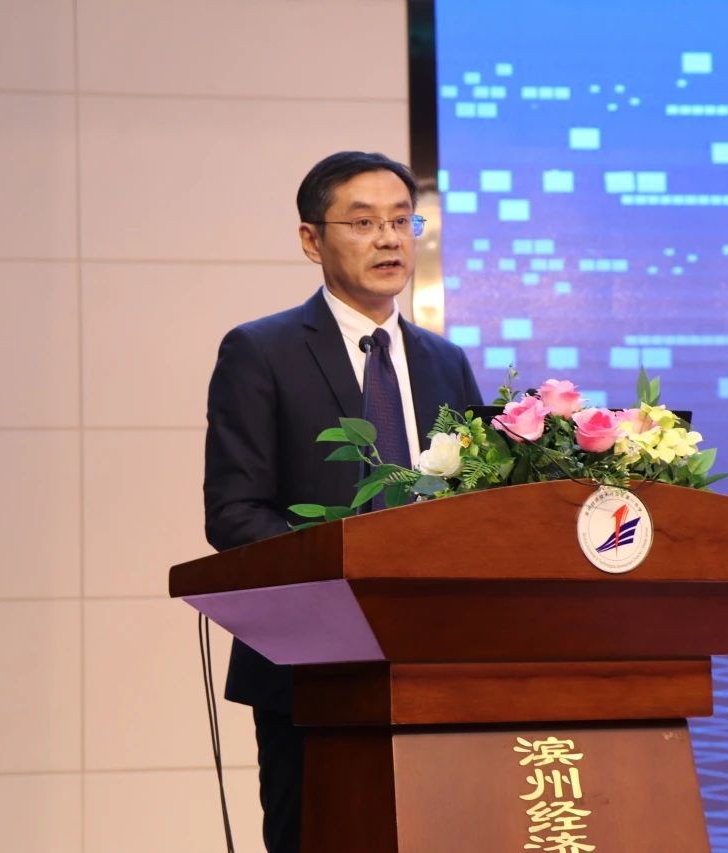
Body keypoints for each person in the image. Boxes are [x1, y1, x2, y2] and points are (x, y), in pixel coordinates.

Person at [203, 151, 482, 853]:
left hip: (439, 663)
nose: (389, 239)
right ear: (311, 239)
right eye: (363, 223)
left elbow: (478, 505)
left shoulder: (445, 361)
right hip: (311, 669)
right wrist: (346, 579)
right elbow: (234, 513)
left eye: (401, 221)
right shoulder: (261, 351)